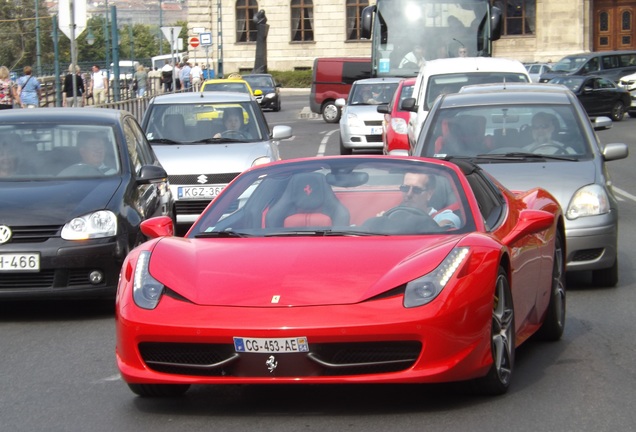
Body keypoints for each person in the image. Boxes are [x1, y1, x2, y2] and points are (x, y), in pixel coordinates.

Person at [381, 172, 460, 228]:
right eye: (405, 188)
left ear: (429, 194)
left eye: (416, 190)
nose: (409, 194)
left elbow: (446, 224)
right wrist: (381, 220)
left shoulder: (441, 217)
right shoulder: (390, 216)